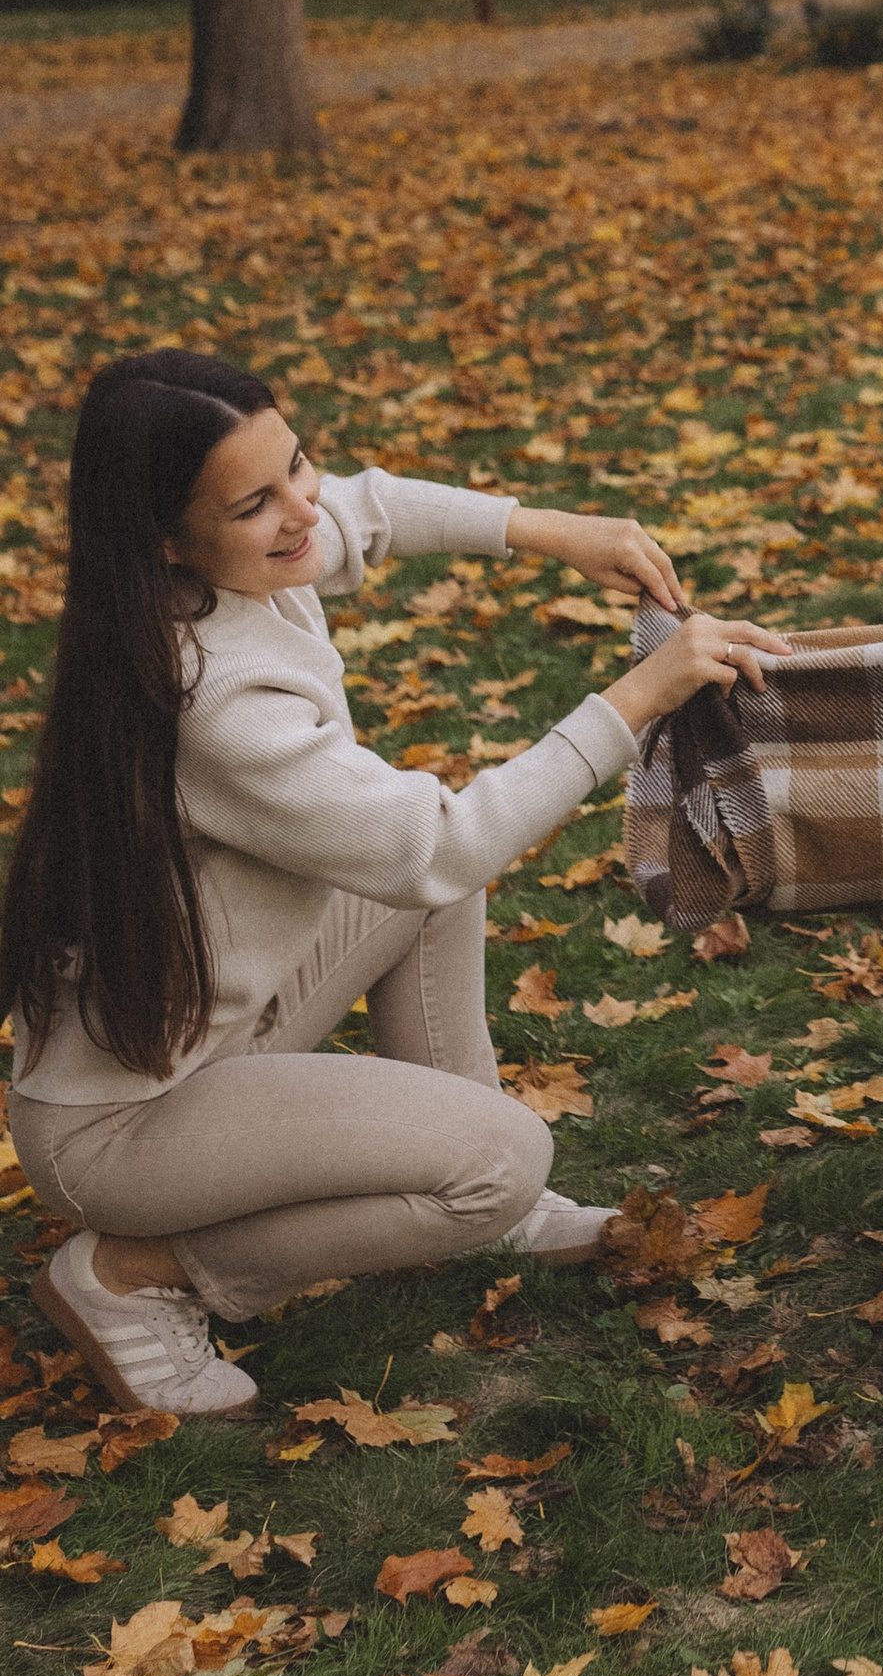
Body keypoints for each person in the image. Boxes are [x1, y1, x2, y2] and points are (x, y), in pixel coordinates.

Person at [1, 350, 786, 1419]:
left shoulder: (213, 575)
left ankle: (490, 1196)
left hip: (213, 1027)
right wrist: (635, 698)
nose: (301, 512)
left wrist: (552, 528)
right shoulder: (217, 702)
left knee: (420, 903)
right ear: (167, 540)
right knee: (497, 1156)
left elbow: (366, 511)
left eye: (298, 463)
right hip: (126, 1129)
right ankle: (136, 1273)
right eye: (256, 503)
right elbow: (446, 843)